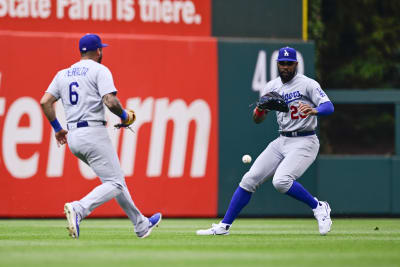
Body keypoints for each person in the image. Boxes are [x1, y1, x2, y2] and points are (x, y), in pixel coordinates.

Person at [197, 46, 334, 236]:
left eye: (289, 63)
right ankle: (224, 226)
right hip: (282, 139)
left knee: (281, 181)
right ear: (277, 64)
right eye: (282, 63)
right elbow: (257, 119)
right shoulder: (271, 86)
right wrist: (260, 110)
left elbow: (329, 106)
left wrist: (314, 110)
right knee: (249, 179)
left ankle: (319, 207)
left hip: (305, 140)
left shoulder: (308, 84)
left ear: (296, 64)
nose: (285, 67)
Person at [40, 33, 162, 239]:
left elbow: (45, 101)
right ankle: (79, 208)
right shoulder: (99, 69)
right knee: (114, 183)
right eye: (101, 49)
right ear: (98, 51)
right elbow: (110, 101)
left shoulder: (63, 74)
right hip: (93, 132)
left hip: (73, 137)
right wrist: (125, 117)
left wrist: (57, 128)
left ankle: (141, 224)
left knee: (114, 180)